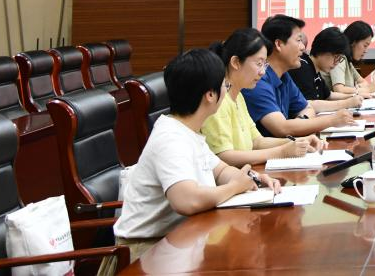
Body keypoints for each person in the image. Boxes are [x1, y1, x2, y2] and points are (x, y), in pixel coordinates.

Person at [105, 49, 279, 274]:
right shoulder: (170, 138)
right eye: (225, 86)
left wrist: (250, 178)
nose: (226, 92)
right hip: (146, 253)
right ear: (210, 95)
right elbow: (186, 200)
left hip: (181, 242)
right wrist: (235, 187)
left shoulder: (188, 131)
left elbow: (220, 170)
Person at [203, 27, 324, 167]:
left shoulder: (238, 96)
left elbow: (257, 141)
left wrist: (298, 142)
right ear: (236, 62)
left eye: (265, 64)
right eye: (259, 64)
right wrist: (282, 152)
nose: (262, 72)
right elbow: (224, 156)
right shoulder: (218, 100)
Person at [241, 14, 354, 138]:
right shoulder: (257, 80)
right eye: (298, 40)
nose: (303, 47)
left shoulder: (284, 76)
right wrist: (331, 120)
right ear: (278, 44)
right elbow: (281, 128)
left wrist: (301, 122)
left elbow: (308, 108)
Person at [291, 26, 364, 104]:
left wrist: (354, 96)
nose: (336, 62)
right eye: (336, 57)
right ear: (322, 49)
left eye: (339, 59)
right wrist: (346, 103)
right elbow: (309, 104)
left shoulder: (315, 70)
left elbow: (329, 95)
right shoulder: (302, 67)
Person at [331, 20, 375, 96]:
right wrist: (366, 90)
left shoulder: (348, 62)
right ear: (353, 42)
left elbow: (363, 82)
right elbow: (339, 89)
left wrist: (358, 88)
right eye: (365, 45)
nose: (366, 51)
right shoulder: (340, 58)